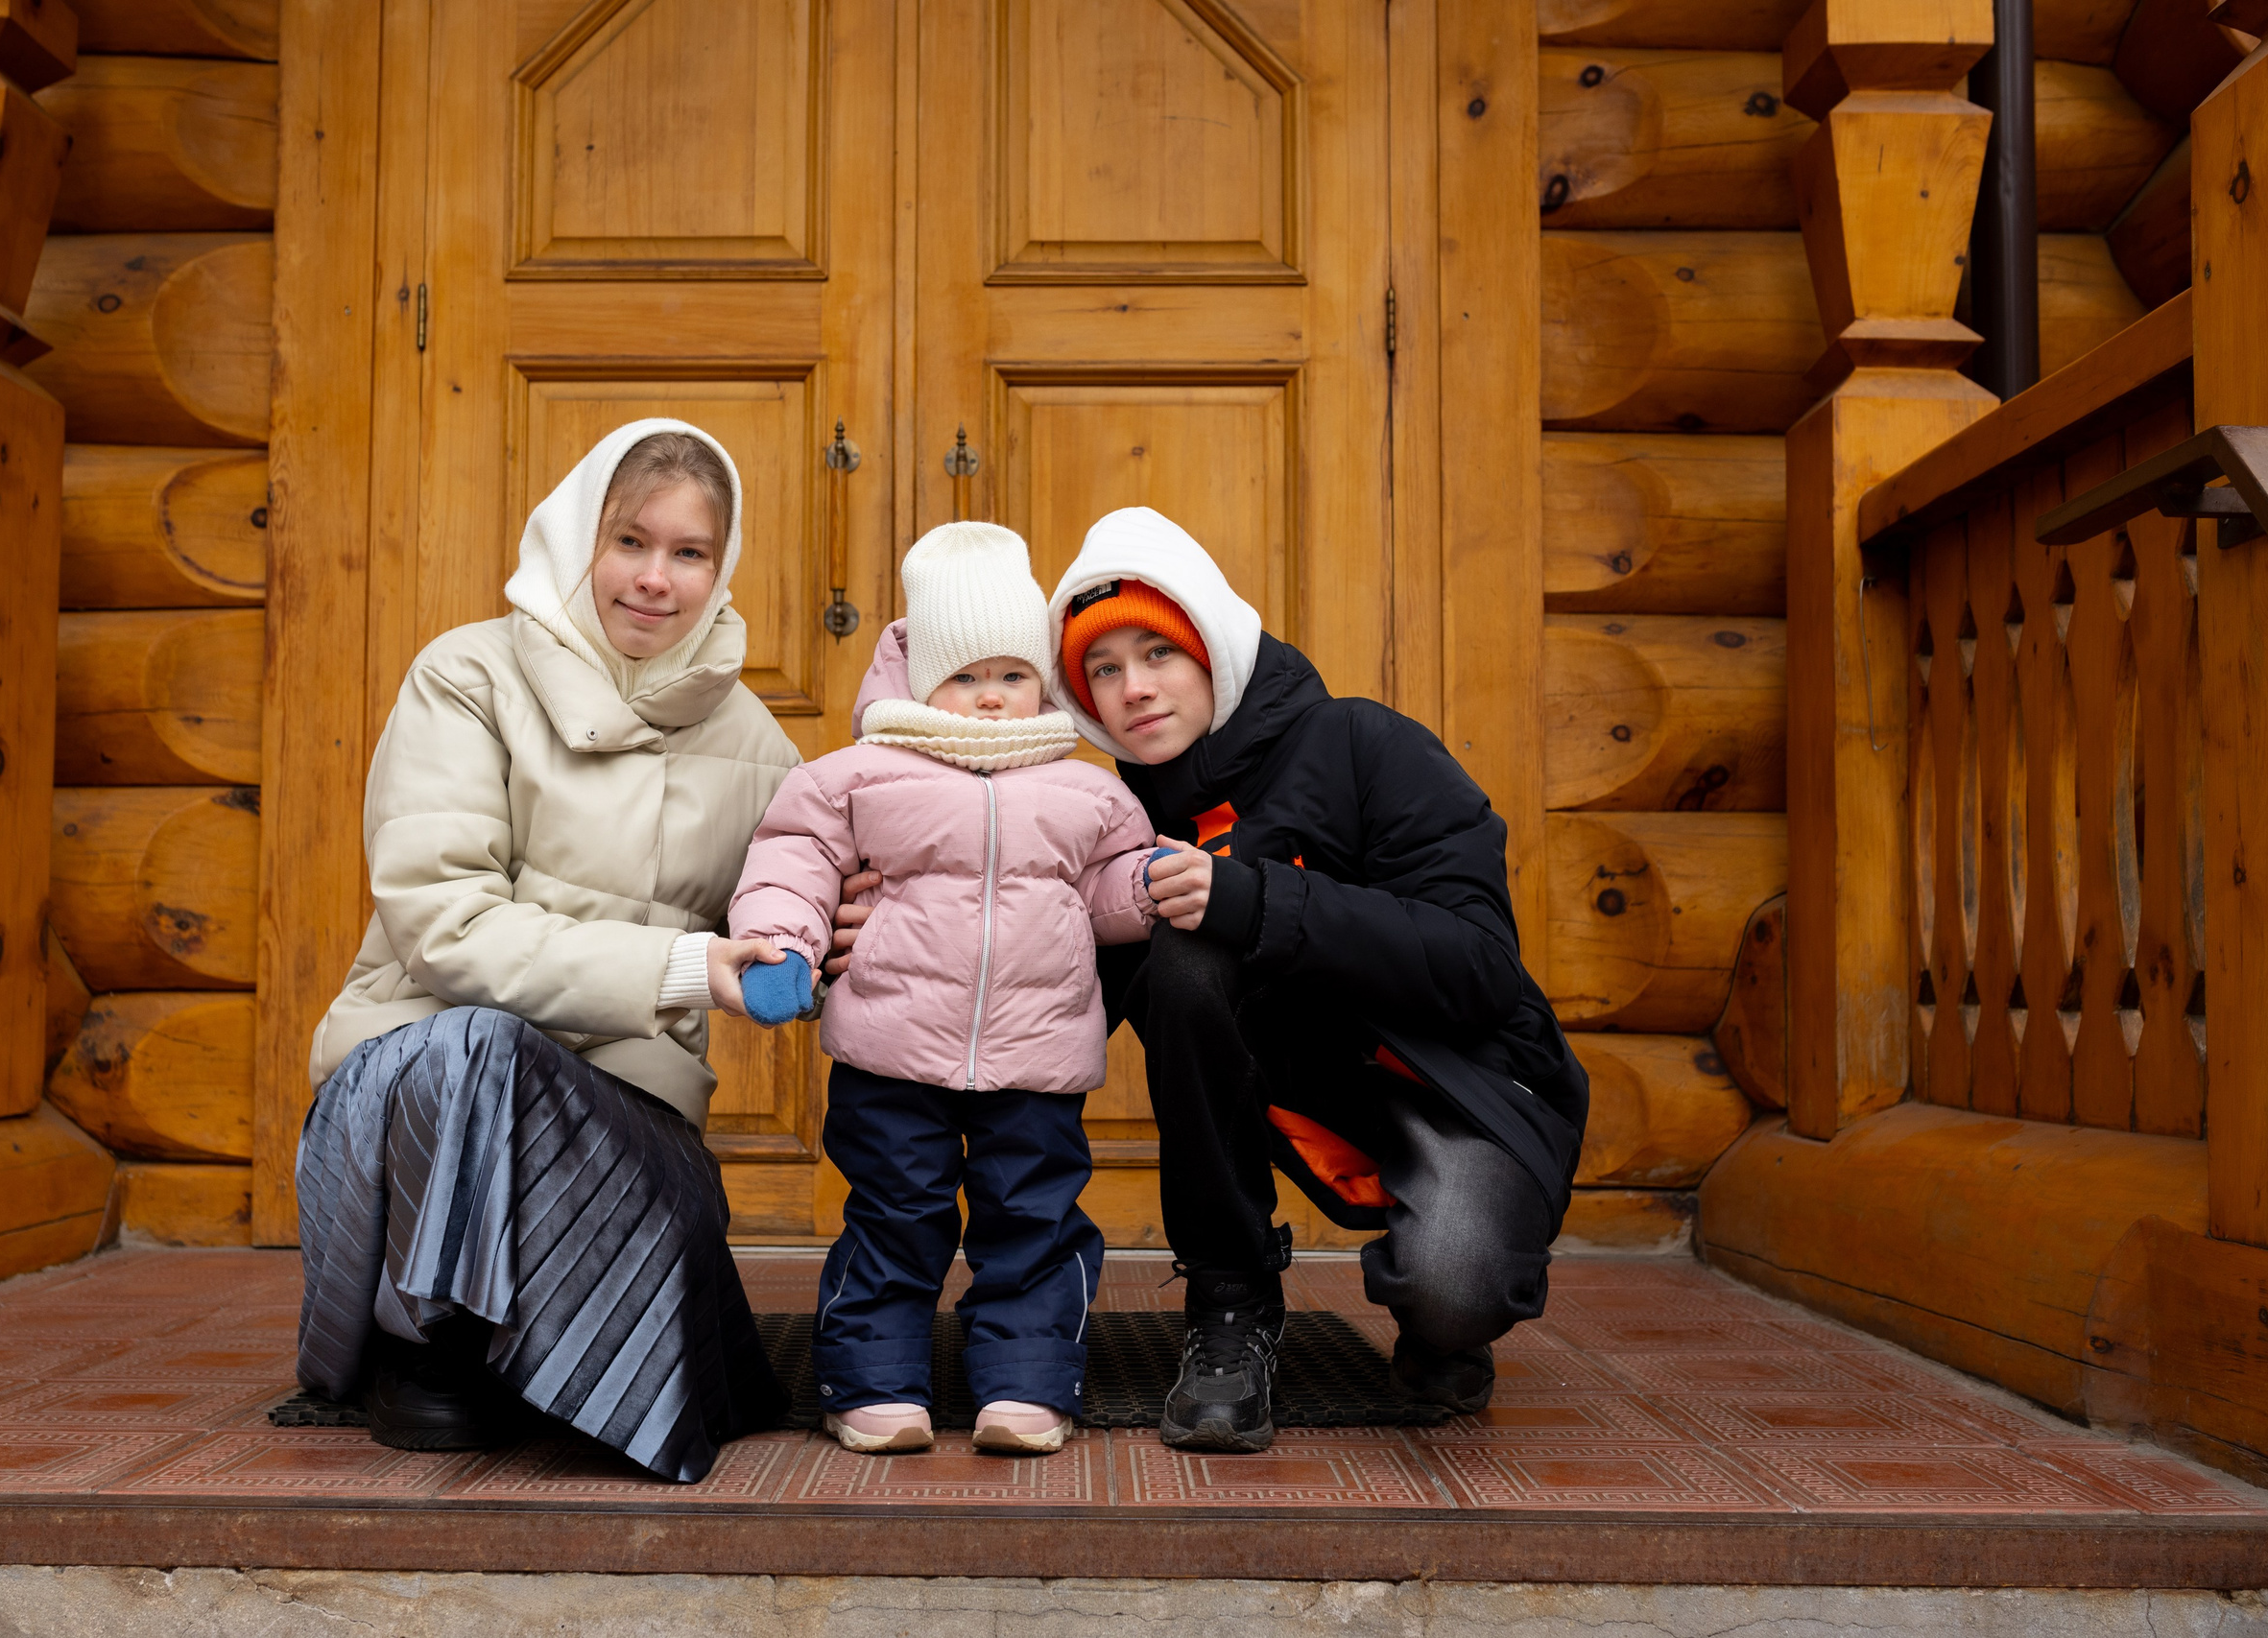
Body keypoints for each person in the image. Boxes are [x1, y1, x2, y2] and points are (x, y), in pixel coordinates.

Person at [829, 507, 1588, 1455]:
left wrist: (1259, 900)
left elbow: (1480, 969)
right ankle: (1231, 1311)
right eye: (1102, 670)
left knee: (1453, 1288)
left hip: (1449, 1083)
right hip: (1279, 1083)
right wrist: (890, 936)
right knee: (1183, 952)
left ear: (1213, 650)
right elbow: (1035, 962)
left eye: (1158, 654)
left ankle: (1444, 1322)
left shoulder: (1366, 746)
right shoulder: (1106, 811)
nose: (1132, 690)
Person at [291, 420, 802, 1483]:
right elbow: (446, 926)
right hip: (414, 1092)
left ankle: (561, 1357)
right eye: (630, 541)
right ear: (580, 539)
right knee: (477, 1047)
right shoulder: (466, 676)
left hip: (616, 1119)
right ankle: (421, 1341)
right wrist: (678, 969)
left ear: (723, 566)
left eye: (689, 552)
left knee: (594, 1126)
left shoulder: (758, 748)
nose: (655, 579)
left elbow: (810, 915)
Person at [718, 522, 1186, 1457]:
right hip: (892, 1051)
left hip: (1036, 1057)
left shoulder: (1082, 789)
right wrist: (779, 944)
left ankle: (1026, 1386)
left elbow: (1102, 887)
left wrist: (1144, 888)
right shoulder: (856, 775)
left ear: (1042, 685)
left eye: (1012, 676)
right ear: (921, 678)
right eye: (965, 677)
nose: (988, 699)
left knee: (1034, 1220)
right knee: (895, 1215)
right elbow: (793, 859)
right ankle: (872, 1384)